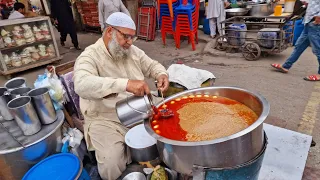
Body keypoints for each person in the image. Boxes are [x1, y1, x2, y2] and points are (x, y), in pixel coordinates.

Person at [73, 12, 169, 180]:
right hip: (106, 119)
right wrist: (125, 84)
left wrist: (161, 75)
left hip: (138, 110)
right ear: (110, 31)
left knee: (171, 122)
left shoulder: (131, 51)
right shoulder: (90, 56)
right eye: (126, 37)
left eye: (133, 37)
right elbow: (81, 84)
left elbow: (152, 65)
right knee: (111, 165)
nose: (130, 42)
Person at [271, 0, 320, 81]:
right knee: (299, 46)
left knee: (318, 50)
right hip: (308, 22)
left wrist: (318, 17)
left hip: (316, 24)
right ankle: (286, 66)